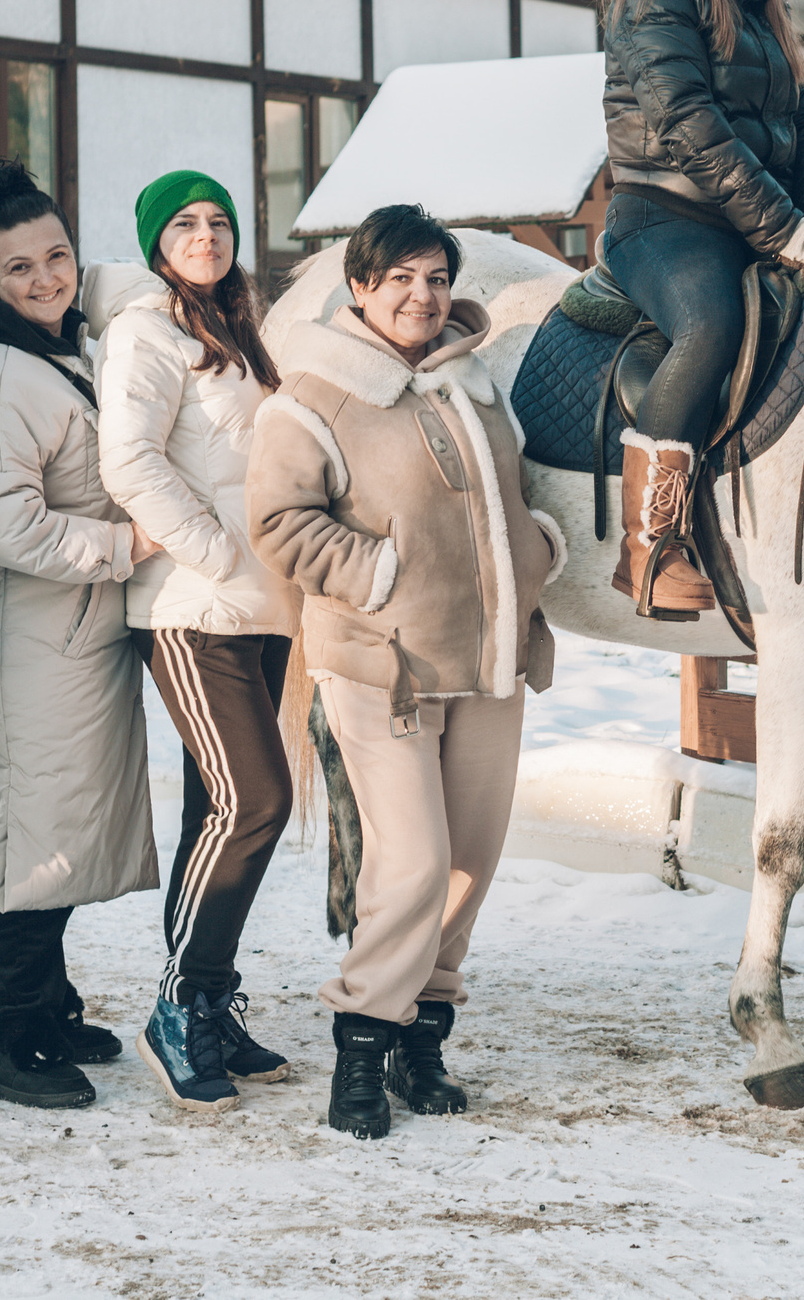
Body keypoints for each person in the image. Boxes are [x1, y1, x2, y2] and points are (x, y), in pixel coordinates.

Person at [247, 203, 563, 1140]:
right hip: (380, 666)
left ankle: (422, 1040)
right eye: (400, 281)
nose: (421, 297)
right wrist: (378, 575)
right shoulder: (312, 396)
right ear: (359, 288)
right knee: (415, 860)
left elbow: (518, 492)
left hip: (489, 663)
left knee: (468, 863)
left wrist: (535, 545)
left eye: (435, 278)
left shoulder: (473, 383)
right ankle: (359, 1043)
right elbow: (278, 521)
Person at [596, 0, 804, 618]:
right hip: (664, 215)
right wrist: (783, 229)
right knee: (710, 321)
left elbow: (802, 120)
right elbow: (687, 123)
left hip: (751, 212)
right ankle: (651, 543)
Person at [0, 160, 163, 1111]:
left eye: (59, 256)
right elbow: (5, 524)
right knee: (30, 831)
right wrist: (125, 543)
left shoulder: (55, 346)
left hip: (70, 632)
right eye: (21, 268)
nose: (46, 278)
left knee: (65, 821)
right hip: (27, 635)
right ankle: (10, 1037)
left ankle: (48, 1002)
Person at [92, 170, 301, 1112]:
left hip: (263, 607)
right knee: (257, 798)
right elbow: (128, 459)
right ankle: (179, 1005)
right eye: (185, 223)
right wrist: (216, 552)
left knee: (214, 813)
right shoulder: (148, 332)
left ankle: (209, 1000)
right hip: (191, 604)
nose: (207, 234)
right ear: (156, 245)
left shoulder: (244, 334)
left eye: (220, 220)